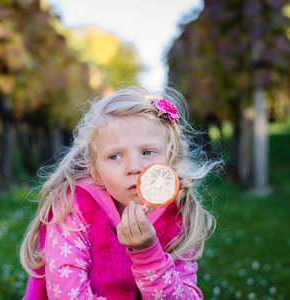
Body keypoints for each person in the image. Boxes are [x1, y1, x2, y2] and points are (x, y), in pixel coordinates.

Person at [20, 87, 220, 299]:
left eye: (148, 152)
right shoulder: (73, 208)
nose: (134, 167)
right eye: (115, 156)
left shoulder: (179, 216)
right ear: (95, 172)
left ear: (170, 161)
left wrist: (148, 254)